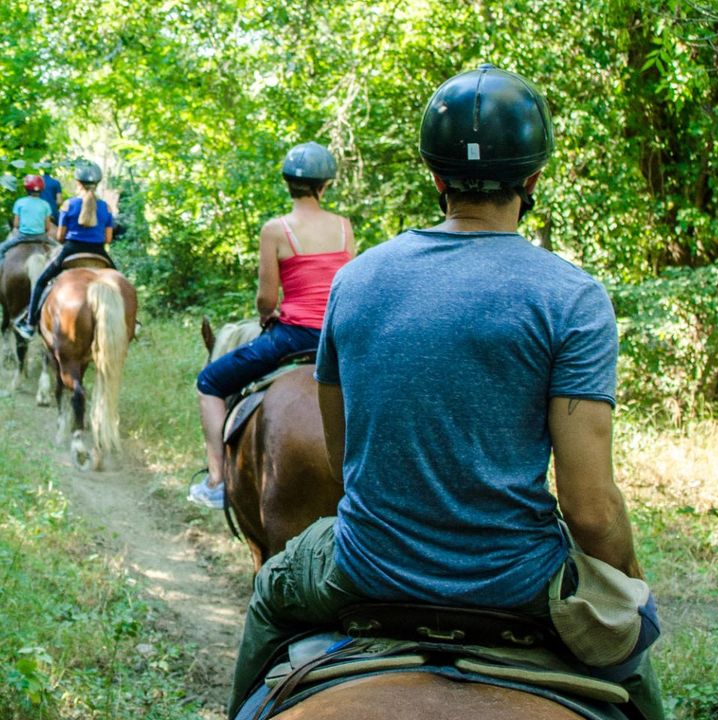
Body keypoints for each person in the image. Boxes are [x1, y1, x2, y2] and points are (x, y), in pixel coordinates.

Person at [226, 65, 665, 720]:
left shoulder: (359, 279)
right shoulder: (575, 299)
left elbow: (348, 465)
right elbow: (591, 508)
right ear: (534, 177)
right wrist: (627, 581)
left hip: (363, 569)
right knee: (636, 666)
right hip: (522, 584)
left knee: (270, 592)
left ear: (435, 176)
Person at [188, 142, 355, 510]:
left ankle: (217, 481)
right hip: (340, 338)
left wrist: (267, 314)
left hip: (292, 336)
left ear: (287, 184)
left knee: (209, 384)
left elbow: (266, 299)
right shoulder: (344, 227)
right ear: (324, 185)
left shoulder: (276, 230)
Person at [14, 162, 115, 340]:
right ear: (97, 184)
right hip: (99, 252)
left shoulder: (68, 205)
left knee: (41, 282)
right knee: (120, 283)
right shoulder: (106, 207)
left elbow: (60, 237)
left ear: (78, 183)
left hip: (71, 250)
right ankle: (133, 321)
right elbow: (108, 239)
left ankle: (29, 324)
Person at [0, 175, 55, 261]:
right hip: (41, 237)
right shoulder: (45, 204)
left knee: (1, 248)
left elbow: (16, 224)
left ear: (26, 189)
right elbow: (47, 227)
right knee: (60, 248)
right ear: (41, 189)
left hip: (22, 236)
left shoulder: (20, 202)